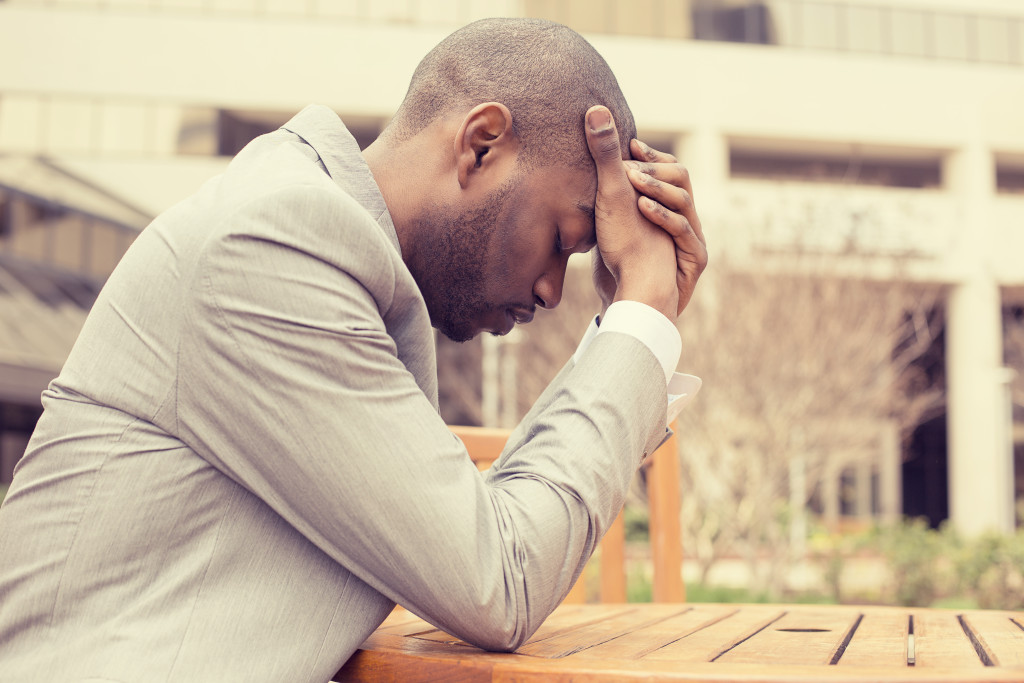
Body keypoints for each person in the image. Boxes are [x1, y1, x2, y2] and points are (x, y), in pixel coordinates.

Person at [0, 18, 706, 683]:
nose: (554, 291)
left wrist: (628, 322)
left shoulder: (327, 255)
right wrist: (642, 316)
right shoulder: (273, 244)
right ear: (482, 144)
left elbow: (475, 532)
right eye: (562, 239)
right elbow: (503, 577)